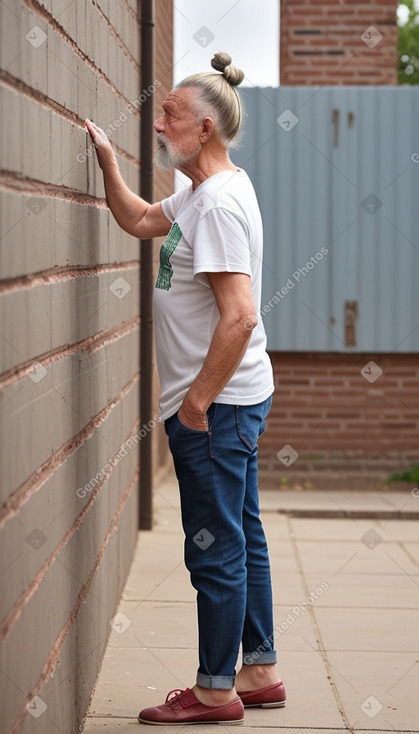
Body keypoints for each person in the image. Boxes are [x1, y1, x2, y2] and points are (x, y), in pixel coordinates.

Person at [85, 51, 286, 727]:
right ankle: (256, 671)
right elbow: (142, 221)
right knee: (241, 533)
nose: (158, 121)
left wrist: (195, 403)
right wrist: (108, 162)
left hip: (217, 406)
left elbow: (240, 316)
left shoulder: (220, 204)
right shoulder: (201, 193)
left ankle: (212, 692)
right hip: (230, 401)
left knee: (214, 543)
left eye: (169, 112)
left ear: (203, 128)